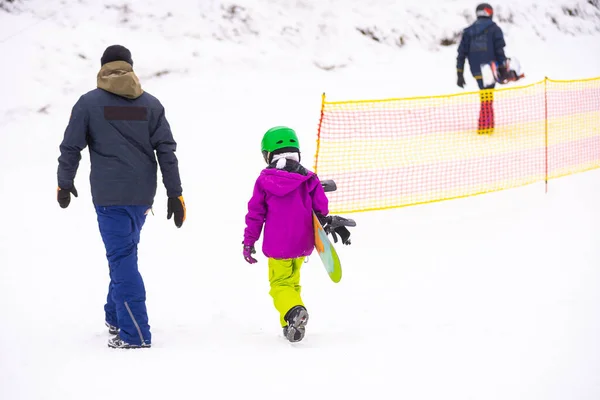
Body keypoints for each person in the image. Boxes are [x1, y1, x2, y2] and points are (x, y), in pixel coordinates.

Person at [57, 45, 186, 349]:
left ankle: (135, 334)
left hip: (108, 196)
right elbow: (167, 152)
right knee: (124, 254)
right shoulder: (151, 105)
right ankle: (115, 316)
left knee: (122, 258)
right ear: (129, 67)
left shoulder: (88, 104)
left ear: (103, 68)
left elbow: (70, 147)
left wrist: (64, 182)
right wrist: (174, 194)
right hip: (142, 197)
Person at [242, 126, 351, 343]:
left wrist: (249, 241)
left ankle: (293, 311)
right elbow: (320, 208)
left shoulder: (264, 181)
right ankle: (291, 324)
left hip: (277, 247)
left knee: (280, 285)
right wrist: (327, 224)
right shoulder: (309, 179)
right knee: (293, 283)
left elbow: (255, 214)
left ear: (268, 155)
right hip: (302, 245)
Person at [456, 3, 507, 134]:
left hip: (476, 71)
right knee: (488, 97)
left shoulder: (468, 31)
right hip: (490, 69)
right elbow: (499, 50)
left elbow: (461, 55)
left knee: (484, 95)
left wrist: (460, 74)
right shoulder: (494, 29)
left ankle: (484, 124)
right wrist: (503, 67)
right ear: (489, 12)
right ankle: (486, 126)